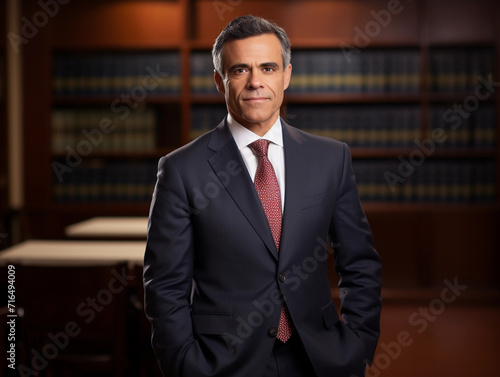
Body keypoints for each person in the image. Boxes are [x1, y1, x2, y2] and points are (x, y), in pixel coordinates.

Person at [143, 15, 382, 377]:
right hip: (222, 363)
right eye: (240, 70)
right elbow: (165, 284)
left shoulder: (331, 158)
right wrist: (184, 363)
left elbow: (360, 263)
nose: (256, 82)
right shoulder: (181, 170)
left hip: (321, 358)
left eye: (268, 68)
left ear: (286, 75)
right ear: (219, 81)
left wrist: (357, 344)